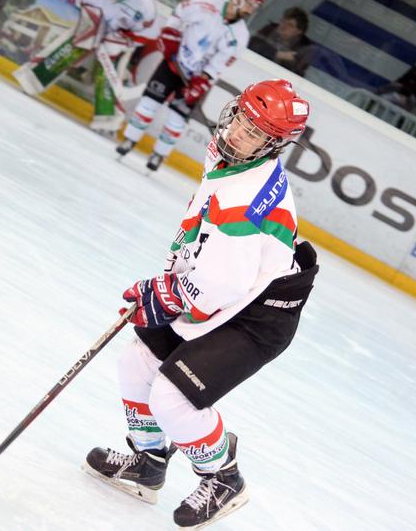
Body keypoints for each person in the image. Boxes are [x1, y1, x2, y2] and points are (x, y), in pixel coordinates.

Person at [82, 79, 319, 529]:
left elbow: (219, 287)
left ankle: (224, 478)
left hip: (257, 316)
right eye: (242, 119)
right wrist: (169, 283)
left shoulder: (246, 202)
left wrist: (166, 294)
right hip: (227, 293)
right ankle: (148, 463)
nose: (240, 133)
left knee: (173, 396)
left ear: (273, 144)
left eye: (256, 132)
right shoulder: (229, 156)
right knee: (137, 362)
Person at [116, 0, 263, 171]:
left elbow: (219, 64)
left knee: (177, 118)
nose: (251, 9)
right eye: (250, 3)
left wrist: (201, 82)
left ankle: (159, 154)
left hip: (196, 79)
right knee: (148, 104)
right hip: (173, 62)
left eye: (256, 6)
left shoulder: (241, 35)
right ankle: (130, 140)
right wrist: (170, 33)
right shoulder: (207, 2)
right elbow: (179, 13)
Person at [12, 0, 157, 133]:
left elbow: (145, 30)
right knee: (76, 46)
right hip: (97, 14)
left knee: (106, 69)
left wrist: (119, 38)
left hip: (120, 34)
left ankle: (107, 118)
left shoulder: (145, 5)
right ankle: (34, 79)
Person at [248, 7, 316, 77]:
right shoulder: (269, 30)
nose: (284, 26)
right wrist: (278, 54)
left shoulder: (304, 48)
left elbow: (296, 74)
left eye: (290, 25)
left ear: (299, 31)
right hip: (250, 68)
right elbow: (251, 44)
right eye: (283, 21)